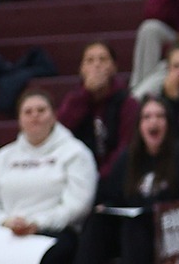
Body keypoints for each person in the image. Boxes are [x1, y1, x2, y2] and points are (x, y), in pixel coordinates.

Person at [54, 96, 179, 264]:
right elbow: (110, 197)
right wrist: (104, 208)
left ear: (168, 123)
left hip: (170, 232)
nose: (153, 122)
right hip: (128, 230)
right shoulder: (128, 158)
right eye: (147, 117)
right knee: (97, 222)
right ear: (139, 125)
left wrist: (161, 212)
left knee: (135, 224)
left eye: (159, 116)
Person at [0, 92, 96, 264]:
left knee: (51, 259)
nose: (35, 116)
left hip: (56, 231)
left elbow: (78, 203)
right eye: (28, 112)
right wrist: (3, 220)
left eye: (41, 110)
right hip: (8, 230)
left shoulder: (75, 153)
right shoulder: (2, 158)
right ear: (19, 120)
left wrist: (38, 223)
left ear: (54, 116)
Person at [55, 41, 138, 178]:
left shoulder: (127, 102)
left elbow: (127, 145)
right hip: (78, 174)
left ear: (114, 67)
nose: (97, 65)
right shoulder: (74, 100)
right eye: (90, 60)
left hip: (117, 175)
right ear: (81, 69)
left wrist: (103, 175)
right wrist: (86, 93)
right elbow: (61, 130)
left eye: (103, 59)